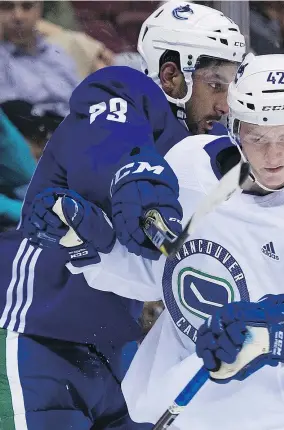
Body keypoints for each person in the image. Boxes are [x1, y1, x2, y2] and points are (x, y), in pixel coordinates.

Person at [46, 51, 284, 429]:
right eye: (257, 136)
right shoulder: (189, 166)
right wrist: (93, 248)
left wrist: (269, 337)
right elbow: (159, 274)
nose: (274, 155)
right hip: (183, 413)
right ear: (234, 128)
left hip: (282, 417)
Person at [0, 2, 245, 429]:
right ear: (171, 76)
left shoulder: (206, 146)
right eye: (215, 85)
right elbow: (111, 150)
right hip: (37, 336)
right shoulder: (122, 91)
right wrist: (140, 186)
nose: (225, 104)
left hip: (119, 350)